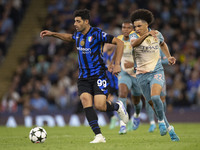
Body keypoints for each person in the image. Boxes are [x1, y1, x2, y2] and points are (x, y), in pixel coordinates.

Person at [40, 9, 128, 143]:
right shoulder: (78, 35)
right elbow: (69, 37)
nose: (75, 23)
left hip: (99, 75)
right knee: (86, 101)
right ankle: (98, 135)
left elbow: (120, 43)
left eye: (78, 21)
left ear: (86, 22)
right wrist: (52, 34)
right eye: (75, 21)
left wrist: (117, 64)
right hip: (83, 78)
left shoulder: (97, 34)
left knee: (100, 106)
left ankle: (117, 107)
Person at [130, 9, 180, 141]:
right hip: (141, 75)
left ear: (147, 24)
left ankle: (161, 122)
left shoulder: (157, 34)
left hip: (156, 72)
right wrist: (146, 35)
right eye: (135, 26)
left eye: (139, 26)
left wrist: (169, 57)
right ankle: (170, 129)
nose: (137, 28)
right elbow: (134, 44)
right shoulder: (133, 36)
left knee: (156, 97)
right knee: (152, 104)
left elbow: (162, 44)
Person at [108, 21, 143, 134]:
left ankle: (136, 115)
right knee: (122, 94)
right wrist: (112, 63)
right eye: (124, 28)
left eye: (128, 28)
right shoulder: (119, 39)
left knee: (136, 100)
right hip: (123, 72)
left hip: (136, 73)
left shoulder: (137, 39)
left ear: (132, 29)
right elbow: (116, 52)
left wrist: (133, 64)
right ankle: (122, 125)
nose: (126, 30)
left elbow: (144, 57)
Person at [145, 50, 168, 132]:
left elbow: (167, 60)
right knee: (149, 99)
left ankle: (162, 120)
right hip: (146, 75)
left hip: (158, 76)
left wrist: (157, 61)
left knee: (162, 99)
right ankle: (152, 123)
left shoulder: (159, 48)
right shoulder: (144, 48)